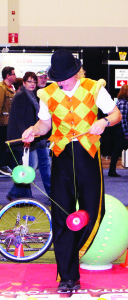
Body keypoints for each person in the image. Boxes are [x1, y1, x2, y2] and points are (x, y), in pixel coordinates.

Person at [22, 49, 122, 293]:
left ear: (76, 72)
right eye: (59, 78)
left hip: (87, 155)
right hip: (62, 156)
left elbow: (116, 114)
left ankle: (74, 249)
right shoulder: (48, 94)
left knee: (93, 211)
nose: (63, 82)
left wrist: (104, 122)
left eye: (66, 76)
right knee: (61, 215)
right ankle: (68, 275)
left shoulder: (93, 88)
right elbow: (45, 124)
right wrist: (33, 130)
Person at [6, 71, 38, 200]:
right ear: (24, 83)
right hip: (21, 138)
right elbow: (19, 119)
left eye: (34, 82)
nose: (33, 84)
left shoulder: (31, 95)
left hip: (27, 137)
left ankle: (23, 195)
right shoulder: (21, 96)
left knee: (28, 167)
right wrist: (26, 136)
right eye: (29, 81)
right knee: (29, 166)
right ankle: (16, 193)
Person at [36, 70, 51, 198]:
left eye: (45, 77)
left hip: (44, 137)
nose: (43, 79)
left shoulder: (50, 93)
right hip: (34, 135)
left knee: (45, 166)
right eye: (40, 77)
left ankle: (52, 193)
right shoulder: (31, 94)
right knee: (29, 167)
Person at [108, 84, 128, 177]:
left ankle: (111, 171)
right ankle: (111, 171)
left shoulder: (120, 102)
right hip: (123, 131)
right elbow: (123, 120)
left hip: (119, 130)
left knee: (116, 151)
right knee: (116, 151)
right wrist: (126, 133)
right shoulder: (124, 103)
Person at [0, 66, 16, 176]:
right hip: (2, 123)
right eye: (13, 74)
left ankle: (5, 165)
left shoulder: (11, 87)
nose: (15, 76)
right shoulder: (2, 88)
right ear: (8, 76)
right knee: (2, 145)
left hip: (9, 123)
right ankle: (2, 166)